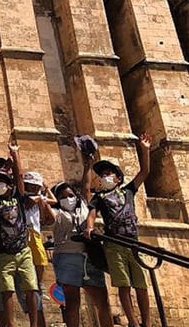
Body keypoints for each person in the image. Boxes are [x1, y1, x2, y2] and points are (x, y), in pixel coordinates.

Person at [86, 133, 152, 327]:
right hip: (114, 244)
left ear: (118, 178)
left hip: (133, 241)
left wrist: (145, 150)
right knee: (123, 285)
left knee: (141, 285)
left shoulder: (128, 190)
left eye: (109, 173)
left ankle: (146, 323)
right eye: (103, 174)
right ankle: (132, 321)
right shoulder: (99, 197)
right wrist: (90, 227)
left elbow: (144, 172)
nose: (105, 176)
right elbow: (92, 213)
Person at [0, 144, 40, 327]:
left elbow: (18, 178)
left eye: (3, 179)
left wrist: (15, 155)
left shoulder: (17, 196)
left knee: (31, 288)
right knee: (4, 291)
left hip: (21, 249)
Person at [49, 153, 113, 327]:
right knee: (72, 303)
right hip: (68, 258)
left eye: (69, 194)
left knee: (102, 301)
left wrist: (87, 167)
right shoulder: (56, 213)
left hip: (89, 257)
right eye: (62, 196)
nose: (67, 198)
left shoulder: (84, 205)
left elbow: (85, 186)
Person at [21, 171, 53, 327]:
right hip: (26, 231)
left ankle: (39, 284)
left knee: (41, 259)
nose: (34, 189)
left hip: (36, 232)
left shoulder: (38, 197)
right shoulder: (24, 197)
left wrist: (45, 192)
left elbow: (52, 202)